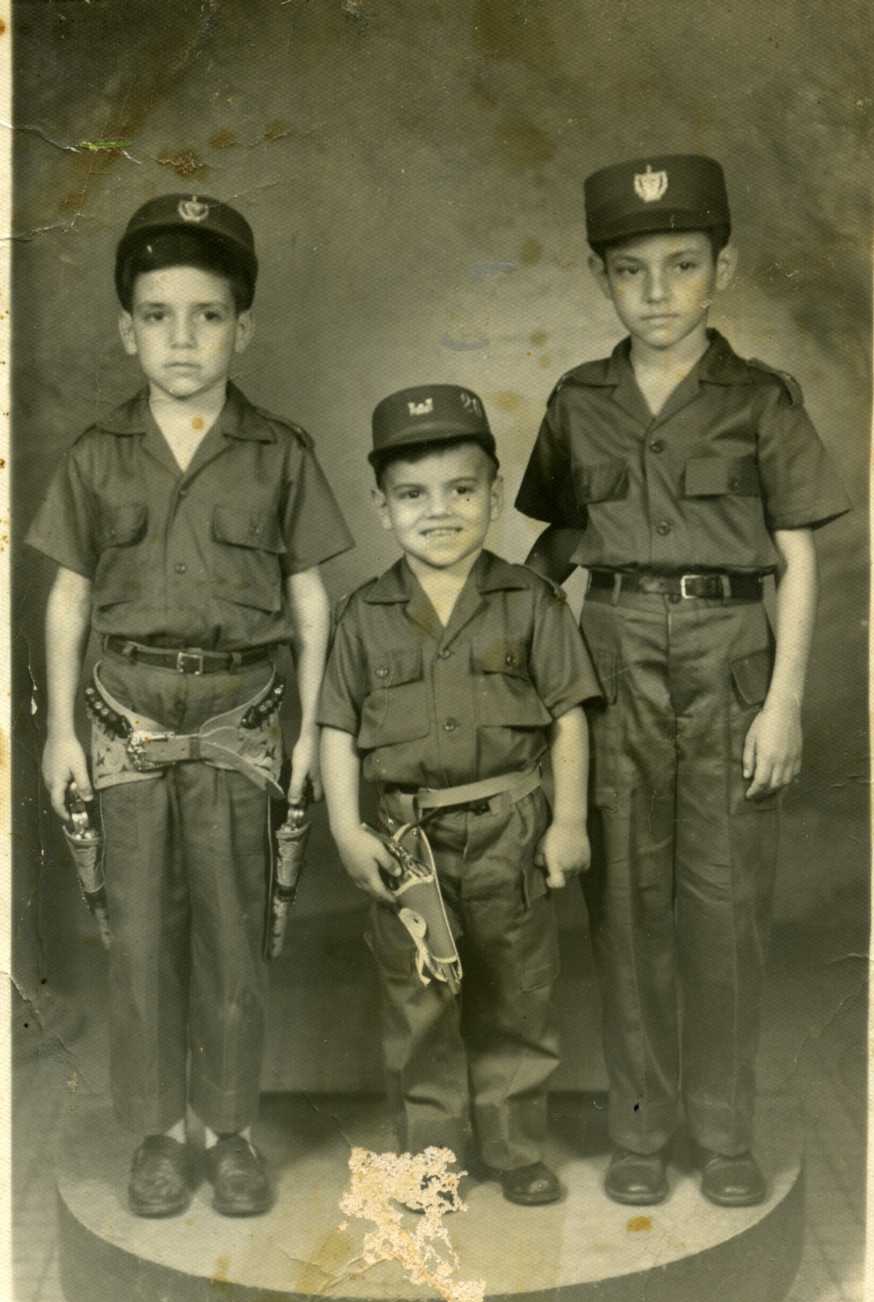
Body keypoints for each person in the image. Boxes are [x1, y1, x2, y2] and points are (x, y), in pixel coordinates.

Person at [515, 154, 850, 1207]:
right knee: (626, 912)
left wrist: (785, 700)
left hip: (728, 663)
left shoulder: (758, 400)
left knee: (724, 912)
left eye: (681, 265)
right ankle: (641, 1132)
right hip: (611, 658)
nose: (657, 294)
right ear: (598, 277)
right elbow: (554, 550)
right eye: (630, 271)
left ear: (724, 268)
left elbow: (796, 556)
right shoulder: (579, 401)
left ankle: (725, 1132)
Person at [26, 193, 353, 1217]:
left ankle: (231, 1129)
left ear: (242, 328)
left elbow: (309, 597)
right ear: (127, 330)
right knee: (138, 940)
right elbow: (69, 592)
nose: (182, 337)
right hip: (123, 725)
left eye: (207, 314)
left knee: (233, 933)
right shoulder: (94, 454)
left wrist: (314, 732)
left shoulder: (280, 452)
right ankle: (160, 1134)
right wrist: (58, 733)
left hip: (240, 722)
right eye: (158, 314)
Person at [318, 384, 601, 1205]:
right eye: (413, 494)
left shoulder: (531, 602)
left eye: (462, 489)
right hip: (409, 844)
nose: (438, 511)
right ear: (381, 506)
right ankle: (432, 1159)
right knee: (419, 1005)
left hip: (512, 830)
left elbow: (569, 717)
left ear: (492, 488)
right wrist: (345, 827)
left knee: (521, 990)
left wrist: (570, 821)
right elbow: (336, 728)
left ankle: (515, 1149)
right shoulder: (362, 615)